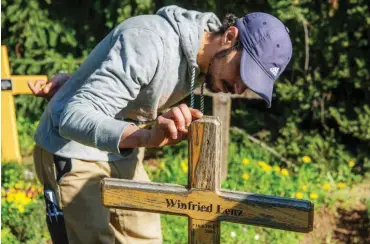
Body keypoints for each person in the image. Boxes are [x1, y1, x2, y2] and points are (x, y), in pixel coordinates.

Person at [29, 5, 292, 244]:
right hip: (71, 150)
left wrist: (74, 80)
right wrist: (147, 137)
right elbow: (72, 116)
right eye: (242, 72)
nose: (238, 87)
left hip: (120, 154)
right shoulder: (150, 41)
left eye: (250, 83)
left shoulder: (202, 62)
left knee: (147, 238)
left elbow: (115, 77)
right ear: (230, 37)